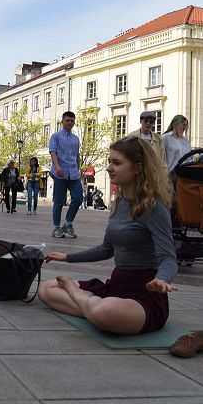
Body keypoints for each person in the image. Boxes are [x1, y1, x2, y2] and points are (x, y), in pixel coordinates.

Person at [38, 136, 178, 335]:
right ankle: (92, 308)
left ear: (138, 167)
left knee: (105, 312)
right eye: (110, 161)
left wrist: (162, 280)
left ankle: (81, 298)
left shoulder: (153, 206)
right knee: (46, 289)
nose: (109, 168)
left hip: (143, 294)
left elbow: (169, 258)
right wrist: (68, 258)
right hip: (116, 286)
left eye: (117, 163)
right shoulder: (119, 203)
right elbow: (107, 248)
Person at [49, 111, 82, 238]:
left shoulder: (76, 139)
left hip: (73, 173)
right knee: (58, 201)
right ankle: (56, 227)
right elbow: (53, 152)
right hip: (60, 173)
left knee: (78, 198)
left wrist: (78, 169)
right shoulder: (56, 136)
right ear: (62, 122)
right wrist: (57, 167)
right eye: (67, 120)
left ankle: (68, 224)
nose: (70, 123)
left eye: (72, 121)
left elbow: (77, 155)